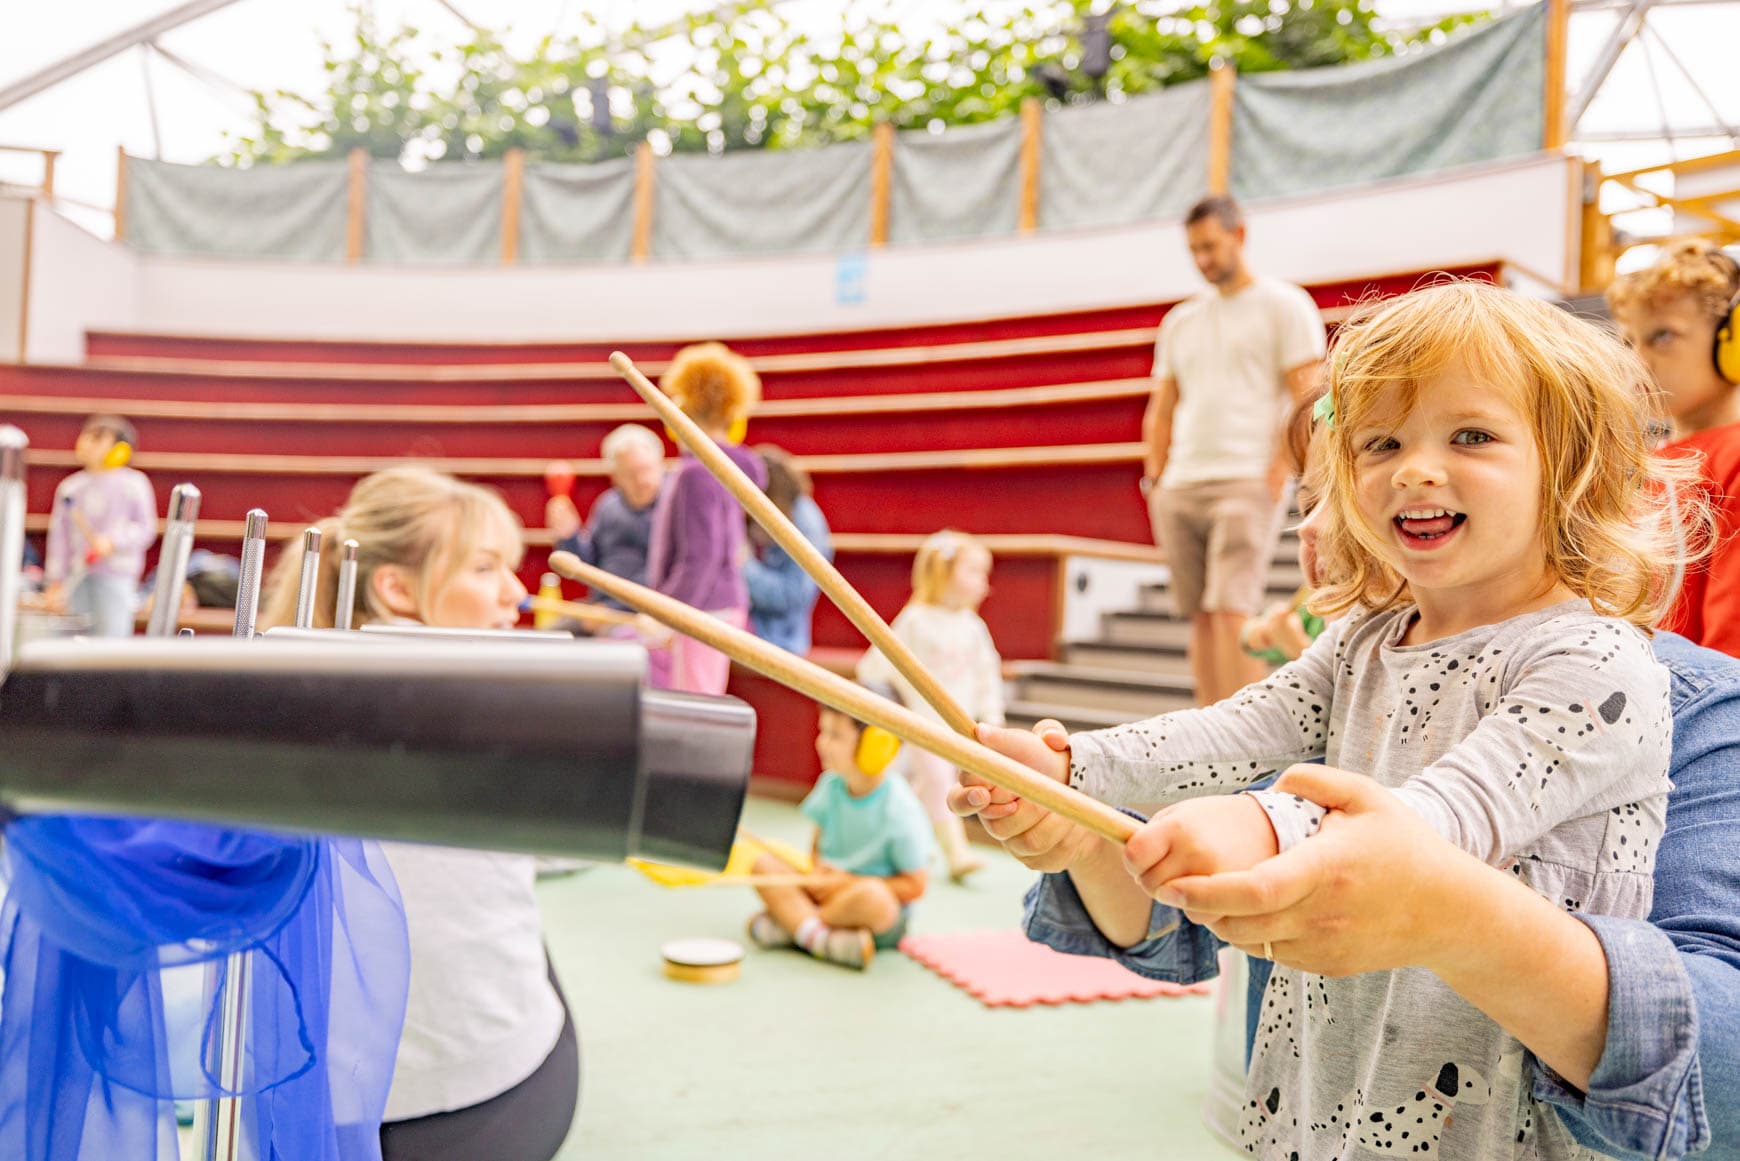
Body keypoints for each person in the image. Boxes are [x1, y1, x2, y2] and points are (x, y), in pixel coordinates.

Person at [957, 281, 1708, 1160]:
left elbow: (1443, 818)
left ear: (1570, 462)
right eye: (1380, 442)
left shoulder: (1597, 661)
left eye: (1471, 435)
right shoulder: (1367, 641)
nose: (1413, 468)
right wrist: (1069, 765)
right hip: (1327, 1093)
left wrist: (1260, 821)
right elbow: (1235, 731)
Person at [261, 466, 578, 1161]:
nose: (516, 593)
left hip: (306, 1108)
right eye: (485, 567)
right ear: (396, 588)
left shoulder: (273, 688)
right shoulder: (506, 692)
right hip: (490, 1104)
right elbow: (574, 844)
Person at [1142, 196, 1325, 705]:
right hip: (1180, 484)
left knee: (1230, 610)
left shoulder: (1285, 305)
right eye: (1194, 250)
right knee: (1199, 617)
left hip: (1245, 478)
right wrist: (1155, 478)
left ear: (1238, 235)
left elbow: (1307, 397)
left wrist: (1277, 471)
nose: (1202, 259)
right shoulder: (1180, 320)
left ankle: (1241, 741)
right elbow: (1162, 406)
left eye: (1210, 246)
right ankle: (1204, 728)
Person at [1608, 239, 1740, 658]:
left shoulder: (1733, 459)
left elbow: (1731, 645)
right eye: (1631, 342)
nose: (1638, 361)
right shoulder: (1645, 463)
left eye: (1663, 336)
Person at [856, 530, 1003, 882]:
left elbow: (987, 674)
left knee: (921, 790)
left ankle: (900, 845)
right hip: (922, 725)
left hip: (959, 728)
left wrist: (992, 717)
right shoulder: (915, 621)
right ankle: (957, 852)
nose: (983, 583)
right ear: (943, 573)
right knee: (938, 782)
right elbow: (875, 664)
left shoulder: (973, 627)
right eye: (974, 572)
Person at [746, 707, 934, 971]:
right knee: (763, 865)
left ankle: (794, 926)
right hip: (825, 896)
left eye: (835, 736)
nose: (821, 743)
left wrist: (847, 882)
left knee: (874, 898)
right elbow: (817, 847)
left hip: (869, 909)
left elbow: (916, 885)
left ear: (875, 745)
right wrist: (817, 872)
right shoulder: (830, 784)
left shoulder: (900, 808)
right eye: (823, 732)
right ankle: (820, 937)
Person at [644, 342, 768, 694]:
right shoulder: (730, 467)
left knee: (695, 709)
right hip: (720, 605)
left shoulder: (697, 474)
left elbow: (701, 557)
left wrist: (665, 613)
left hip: (701, 609)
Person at [42, 414, 156, 637]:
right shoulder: (70, 487)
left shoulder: (134, 484)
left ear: (119, 449)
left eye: (96, 439)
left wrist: (114, 541)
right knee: (73, 637)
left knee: (112, 637)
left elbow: (145, 528)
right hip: (76, 575)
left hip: (116, 575)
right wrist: (55, 580)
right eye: (85, 436)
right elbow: (59, 538)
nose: (85, 443)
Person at [546, 423, 665, 613]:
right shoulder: (608, 505)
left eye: (646, 470)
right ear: (615, 477)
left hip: (648, 612)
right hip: (601, 606)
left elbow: (666, 572)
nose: (642, 480)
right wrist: (570, 536)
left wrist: (614, 607)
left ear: (661, 465)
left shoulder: (675, 506)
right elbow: (588, 563)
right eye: (630, 474)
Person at [744, 444, 832, 655]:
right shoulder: (758, 515)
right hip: (749, 621)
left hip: (778, 635)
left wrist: (743, 566)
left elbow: (792, 596)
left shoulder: (805, 524)